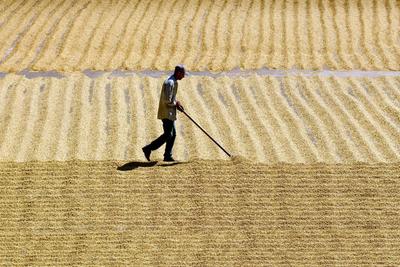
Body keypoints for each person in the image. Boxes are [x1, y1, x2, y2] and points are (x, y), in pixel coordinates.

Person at [142, 65, 185, 162]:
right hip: (166, 113)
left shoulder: (174, 82)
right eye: (183, 74)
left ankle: (167, 155)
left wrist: (177, 102)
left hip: (170, 113)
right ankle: (148, 148)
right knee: (168, 135)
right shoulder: (169, 83)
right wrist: (176, 105)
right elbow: (167, 100)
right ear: (178, 72)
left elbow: (171, 98)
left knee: (172, 135)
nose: (183, 76)